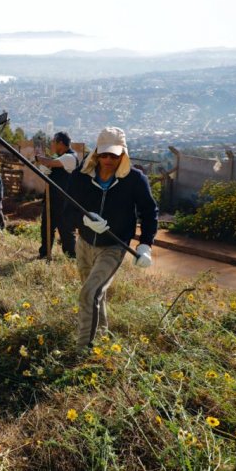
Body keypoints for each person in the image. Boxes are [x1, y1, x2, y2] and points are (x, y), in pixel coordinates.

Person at [63, 127, 157, 352]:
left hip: (114, 246)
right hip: (85, 244)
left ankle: (83, 349)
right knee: (96, 292)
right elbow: (67, 211)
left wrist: (145, 245)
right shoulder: (81, 176)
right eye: (104, 154)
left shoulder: (135, 180)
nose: (108, 159)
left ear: (123, 154)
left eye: (114, 155)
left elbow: (149, 211)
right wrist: (84, 220)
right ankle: (103, 334)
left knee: (88, 293)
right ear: (96, 152)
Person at [37, 132, 79, 259]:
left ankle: (71, 257)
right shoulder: (57, 158)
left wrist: (38, 158)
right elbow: (46, 170)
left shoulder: (71, 157)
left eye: (53, 142)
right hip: (51, 200)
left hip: (65, 203)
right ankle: (45, 253)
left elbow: (49, 163)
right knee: (46, 229)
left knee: (66, 231)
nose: (52, 145)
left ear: (60, 143)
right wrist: (43, 166)